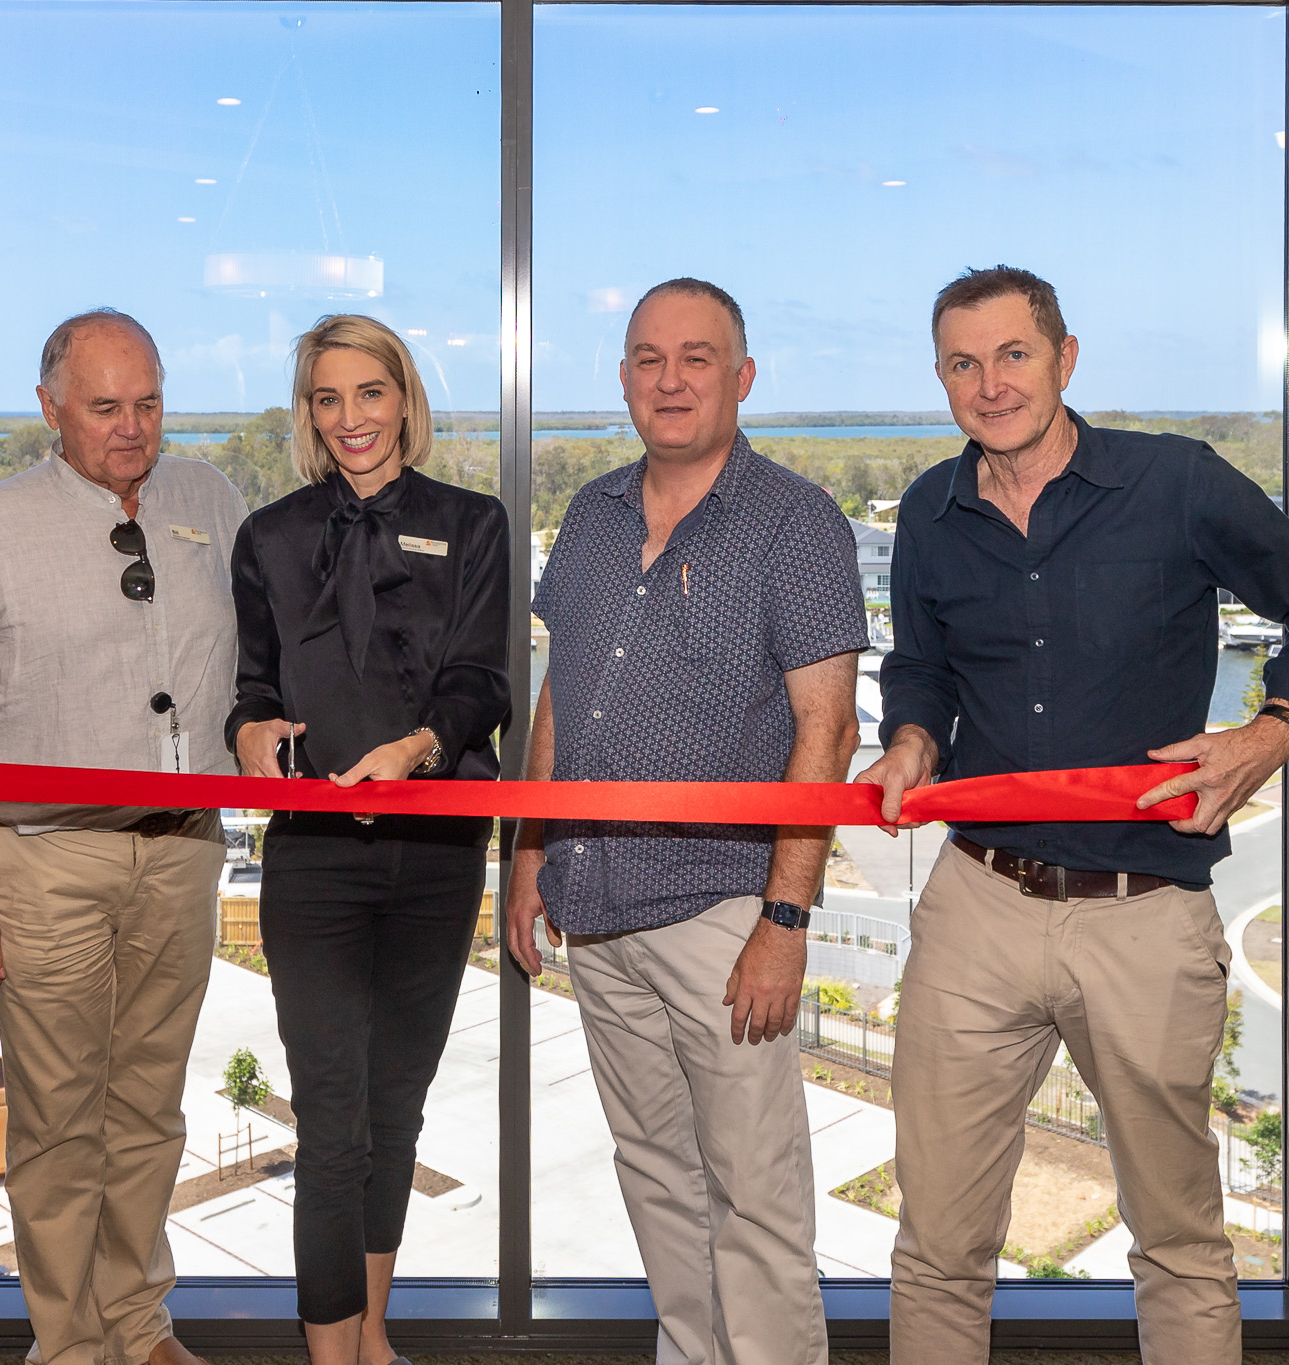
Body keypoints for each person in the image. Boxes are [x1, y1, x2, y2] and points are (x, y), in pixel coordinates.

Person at [864, 266, 1289, 1365]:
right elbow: (917, 668)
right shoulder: (927, 510)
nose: (988, 383)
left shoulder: (1178, 483)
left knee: (1180, 1245)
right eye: (961, 363)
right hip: (977, 907)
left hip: (1144, 915)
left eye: (1011, 354)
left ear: (1064, 357)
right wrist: (909, 737)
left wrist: (1268, 730)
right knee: (937, 1248)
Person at [505, 278, 865, 1365]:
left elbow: (829, 729)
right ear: (621, 379)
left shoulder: (793, 522)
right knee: (656, 1179)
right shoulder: (590, 517)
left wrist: (783, 918)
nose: (668, 380)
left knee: (753, 1200)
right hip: (596, 909)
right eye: (647, 358)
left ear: (740, 378)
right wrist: (525, 857)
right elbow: (559, 698)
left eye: (695, 358)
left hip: (721, 916)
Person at [0, 309, 248, 1365]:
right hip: (44, 861)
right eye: (103, 408)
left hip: (185, 851)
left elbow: (260, 669)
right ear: (48, 406)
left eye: (147, 404)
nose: (130, 428)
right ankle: (67, 1347)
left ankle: (139, 1327)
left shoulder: (211, 500)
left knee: (150, 1112)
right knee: (58, 1122)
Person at [225, 314, 508, 1363]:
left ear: (403, 400)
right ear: (308, 414)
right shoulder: (269, 536)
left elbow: (483, 685)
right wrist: (247, 728)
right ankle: (327, 1354)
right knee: (331, 1119)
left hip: (436, 855)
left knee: (396, 1107)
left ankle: (372, 1336)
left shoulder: (472, 524)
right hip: (314, 857)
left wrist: (422, 747)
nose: (350, 419)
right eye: (326, 399)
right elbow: (250, 687)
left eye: (368, 394)